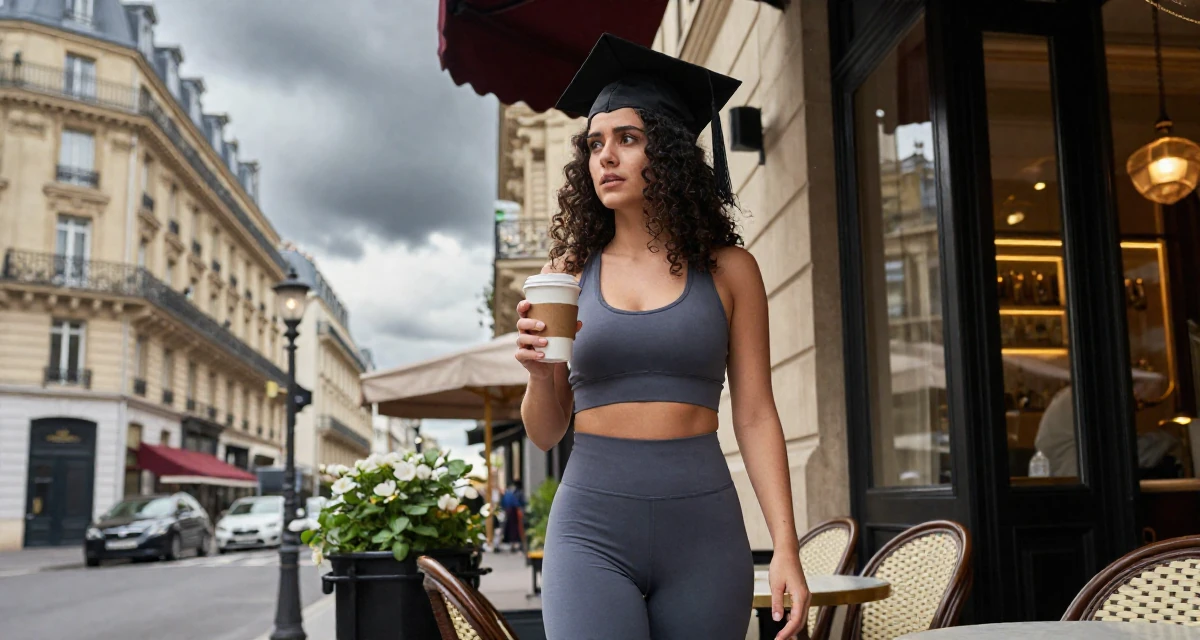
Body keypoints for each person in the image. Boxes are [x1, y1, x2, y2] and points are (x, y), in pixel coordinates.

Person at [513, 33, 809, 640]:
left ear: (669, 152)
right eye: (596, 143)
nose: (606, 156)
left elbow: (755, 413)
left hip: (704, 531)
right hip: (590, 529)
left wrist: (786, 546)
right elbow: (545, 432)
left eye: (627, 138)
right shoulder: (567, 272)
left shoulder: (729, 270)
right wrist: (540, 376)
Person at [500, 480, 527, 552]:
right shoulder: (516, 493)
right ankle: (516, 544)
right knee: (516, 528)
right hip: (515, 512)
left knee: (511, 528)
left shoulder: (508, 493)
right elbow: (521, 503)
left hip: (509, 512)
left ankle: (513, 544)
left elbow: (503, 503)